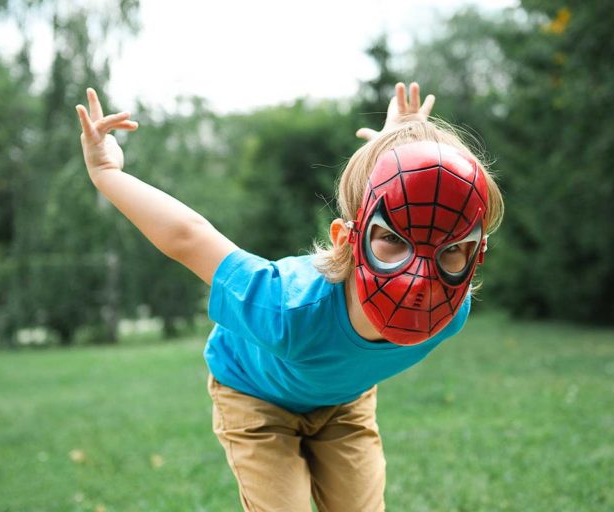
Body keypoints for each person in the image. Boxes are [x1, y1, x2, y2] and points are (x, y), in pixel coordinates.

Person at [76, 82, 503, 512]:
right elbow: (189, 237)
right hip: (256, 397)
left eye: (451, 250)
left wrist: (399, 149)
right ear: (346, 241)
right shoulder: (286, 309)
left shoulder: (450, 312)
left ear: (476, 254)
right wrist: (106, 173)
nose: (419, 277)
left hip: (342, 404)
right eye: (392, 239)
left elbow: (416, 213)